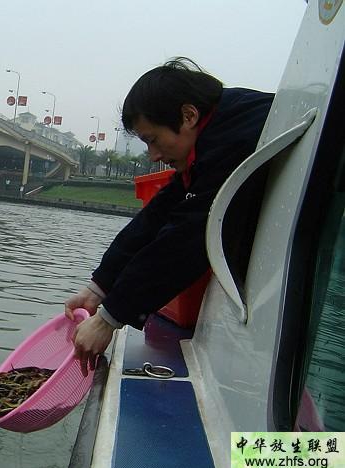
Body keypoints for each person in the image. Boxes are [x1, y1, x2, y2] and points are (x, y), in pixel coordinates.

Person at [65, 58, 275, 371]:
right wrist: (99, 287)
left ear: (188, 116)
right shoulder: (217, 131)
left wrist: (109, 318)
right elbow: (159, 214)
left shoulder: (238, 138)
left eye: (152, 140)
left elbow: (191, 236)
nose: (153, 156)